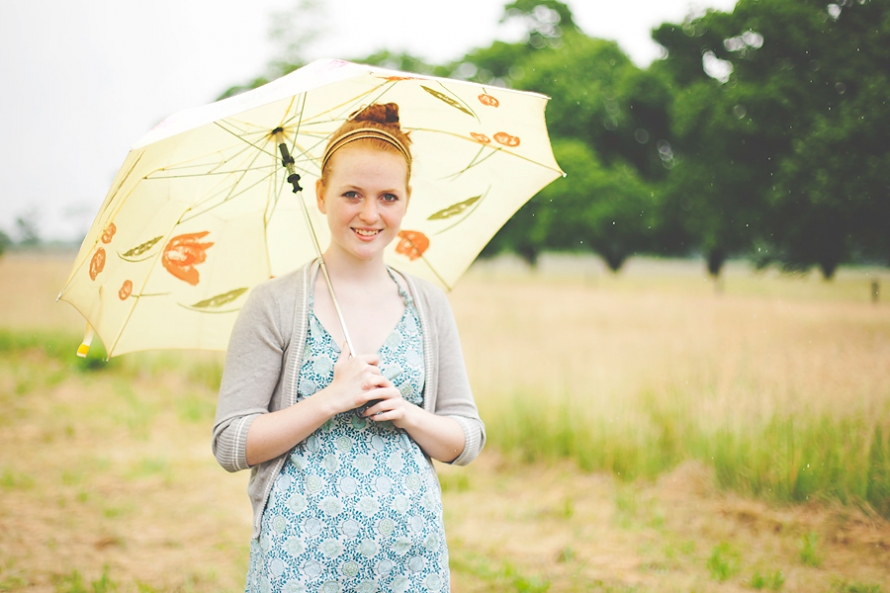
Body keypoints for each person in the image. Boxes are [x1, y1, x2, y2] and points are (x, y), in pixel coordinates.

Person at [212, 102, 485, 593]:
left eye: (388, 197)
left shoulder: (428, 304)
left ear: (406, 201)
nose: (369, 214)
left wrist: (407, 413)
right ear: (320, 194)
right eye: (352, 194)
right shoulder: (275, 304)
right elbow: (231, 443)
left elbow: (466, 439)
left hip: (410, 561)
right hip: (299, 562)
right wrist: (328, 400)